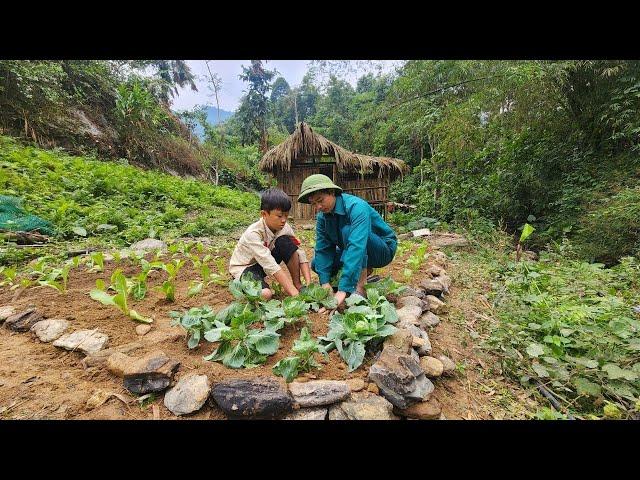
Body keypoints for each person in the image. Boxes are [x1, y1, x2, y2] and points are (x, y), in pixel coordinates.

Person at [297, 174, 397, 312]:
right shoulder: (322, 218)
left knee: (348, 231)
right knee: (317, 264)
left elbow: (357, 245)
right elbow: (323, 249)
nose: (318, 206)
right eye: (314, 203)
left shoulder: (356, 207)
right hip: (350, 249)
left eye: (320, 200)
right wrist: (325, 283)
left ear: (332, 192)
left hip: (382, 250)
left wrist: (343, 290)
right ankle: (361, 270)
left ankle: (360, 286)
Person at [229, 188, 311, 300]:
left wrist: (309, 283)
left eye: (286, 216)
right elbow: (270, 264)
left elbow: (299, 252)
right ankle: (238, 284)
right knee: (266, 294)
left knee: (286, 243)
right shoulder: (253, 233)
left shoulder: (284, 227)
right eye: (279, 216)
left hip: (262, 266)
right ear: (264, 214)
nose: (284, 220)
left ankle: (297, 284)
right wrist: (294, 294)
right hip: (245, 268)